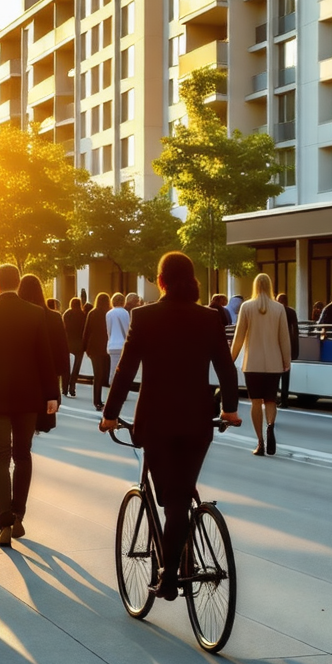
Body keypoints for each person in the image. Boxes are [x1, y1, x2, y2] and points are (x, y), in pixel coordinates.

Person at [99, 251, 240, 600]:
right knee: (182, 490)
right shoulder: (209, 318)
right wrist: (231, 410)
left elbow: (126, 370)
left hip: (156, 422)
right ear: (193, 279)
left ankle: (170, 577)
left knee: (172, 501)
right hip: (197, 422)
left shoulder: (144, 317)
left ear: (160, 281)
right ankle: (182, 556)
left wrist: (110, 413)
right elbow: (226, 369)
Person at [0, 265, 59, 546]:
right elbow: (45, 357)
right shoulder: (35, 313)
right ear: (18, 284)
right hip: (28, 395)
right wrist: (51, 394)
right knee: (23, 454)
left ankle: (4, 519)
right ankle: (19, 514)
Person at [230, 274, 292, 457]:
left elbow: (239, 336)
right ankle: (270, 426)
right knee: (271, 400)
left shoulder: (247, 307)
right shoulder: (279, 308)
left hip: (252, 364)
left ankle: (260, 442)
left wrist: (230, 359)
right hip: (274, 364)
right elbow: (284, 338)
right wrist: (286, 360)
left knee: (256, 402)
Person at [19, 274, 70, 424]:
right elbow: (62, 350)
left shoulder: (18, 316)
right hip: (46, 377)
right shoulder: (53, 317)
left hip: (22, 378)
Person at [84, 292, 111, 410]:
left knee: (97, 375)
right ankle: (101, 400)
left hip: (94, 347)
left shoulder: (92, 313)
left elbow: (87, 331)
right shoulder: (108, 313)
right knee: (104, 375)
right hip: (106, 347)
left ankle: (97, 400)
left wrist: (85, 348)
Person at [276, 293, 300, 408]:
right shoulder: (291, 312)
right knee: (286, 373)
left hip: (276, 345)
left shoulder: (276, 311)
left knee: (275, 373)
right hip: (289, 345)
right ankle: (284, 400)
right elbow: (295, 329)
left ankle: (273, 398)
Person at [62, 297, 87, 397]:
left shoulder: (67, 314)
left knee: (66, 366)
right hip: (79, 343)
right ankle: (72, 387)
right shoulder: (83, 315)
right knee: (76, 367)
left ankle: (64, 388)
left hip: (67, 342)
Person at [106, 293, 130, 385]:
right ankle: (121, 385)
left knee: (113, 368)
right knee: (124, 368)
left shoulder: (109, 313)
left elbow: (109, 330)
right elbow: (127, 328)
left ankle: (112, 385)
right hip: (123, 344)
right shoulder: (125, 313)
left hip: (112, 344)